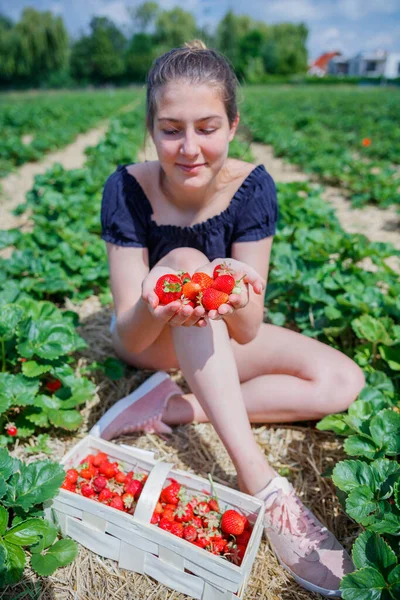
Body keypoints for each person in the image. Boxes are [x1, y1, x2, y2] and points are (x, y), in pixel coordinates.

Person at [91, 40, 365, 597]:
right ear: (150, 128)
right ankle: (262, 483)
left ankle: (172, 405)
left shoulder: (252, 188)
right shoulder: (125, 188)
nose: (190, 148)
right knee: (189, 263)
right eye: (171, 129)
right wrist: (157, 301)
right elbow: (124, 333)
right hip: (151, 340)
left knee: (342, 380)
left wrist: (237, 298)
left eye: (207, 127)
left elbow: (247, 331)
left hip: (218, 338)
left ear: (233, 125)